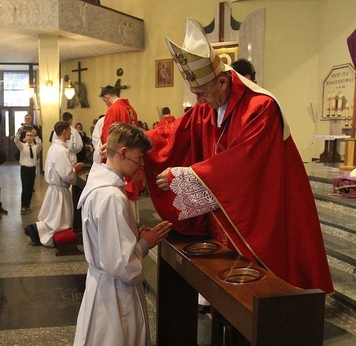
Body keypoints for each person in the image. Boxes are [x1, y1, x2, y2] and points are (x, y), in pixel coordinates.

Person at [144, 19, 333, 294]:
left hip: (263, 210)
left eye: (202, 93)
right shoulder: (209, 106)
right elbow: (175, 133)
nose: (198, 102)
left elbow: (245, 165)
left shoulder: (261, 107)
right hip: (226, 216)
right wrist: (138, 142)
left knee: (263, 293)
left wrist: (186, 175)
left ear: (222, 81)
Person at [74, 122, 172, 345]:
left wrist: (131, 235)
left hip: (102, 283)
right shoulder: (111, 196)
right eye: (139, 156)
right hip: (115, 293)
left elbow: (107, 240)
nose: (141, 164)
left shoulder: (100, 184)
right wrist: (145, 243)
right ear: (123, 152)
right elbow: (122, 264)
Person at [24, 121, 84, 247]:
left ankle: (37, 230)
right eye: (69, 130)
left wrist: (70, 167)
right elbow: (66, 174)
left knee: (54, 217)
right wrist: (74, 169)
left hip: (55, 188)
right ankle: (38, 232)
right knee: (58, 221)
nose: (71, 132)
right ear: (64, 132)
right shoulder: (61, 150)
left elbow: (58, 168)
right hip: (60, 190)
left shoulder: (54, 147)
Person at [14, 127, 42, 214]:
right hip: (24, 169)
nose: (29, 137)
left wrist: (36, 135)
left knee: (30, 188)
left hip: (32, 169)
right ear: (25, 137)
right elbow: (16, 141)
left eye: (31, 135)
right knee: (25, 187)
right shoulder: (22, 146)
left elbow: (40, 144)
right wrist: (19, 132)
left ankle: (28, 205)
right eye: (28, 135)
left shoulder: (35, 147)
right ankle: (23, 205)